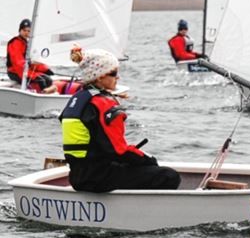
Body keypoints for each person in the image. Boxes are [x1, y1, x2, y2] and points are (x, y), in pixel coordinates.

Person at [60, 48, 180, 191]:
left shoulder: (77, 99)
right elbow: (118, 151)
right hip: (98, 178)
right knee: (168, 176)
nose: (118, 77)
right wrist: (148, 160)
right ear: (99, 77)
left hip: (78, 177)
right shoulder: (102, 103)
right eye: (114, 73)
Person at [6, 18, 56, 93]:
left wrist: (45, 69)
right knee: (40, 80)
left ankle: (49, 95)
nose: (26, 33)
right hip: (15, 72)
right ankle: (41, 97)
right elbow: (17, 63)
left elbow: (34, 61)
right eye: (24, 30)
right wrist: (27, 64)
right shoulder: (14, 43)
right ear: (20, 30)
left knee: (48, 79)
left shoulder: (28, 43)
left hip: (26, 70)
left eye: (28, 31)